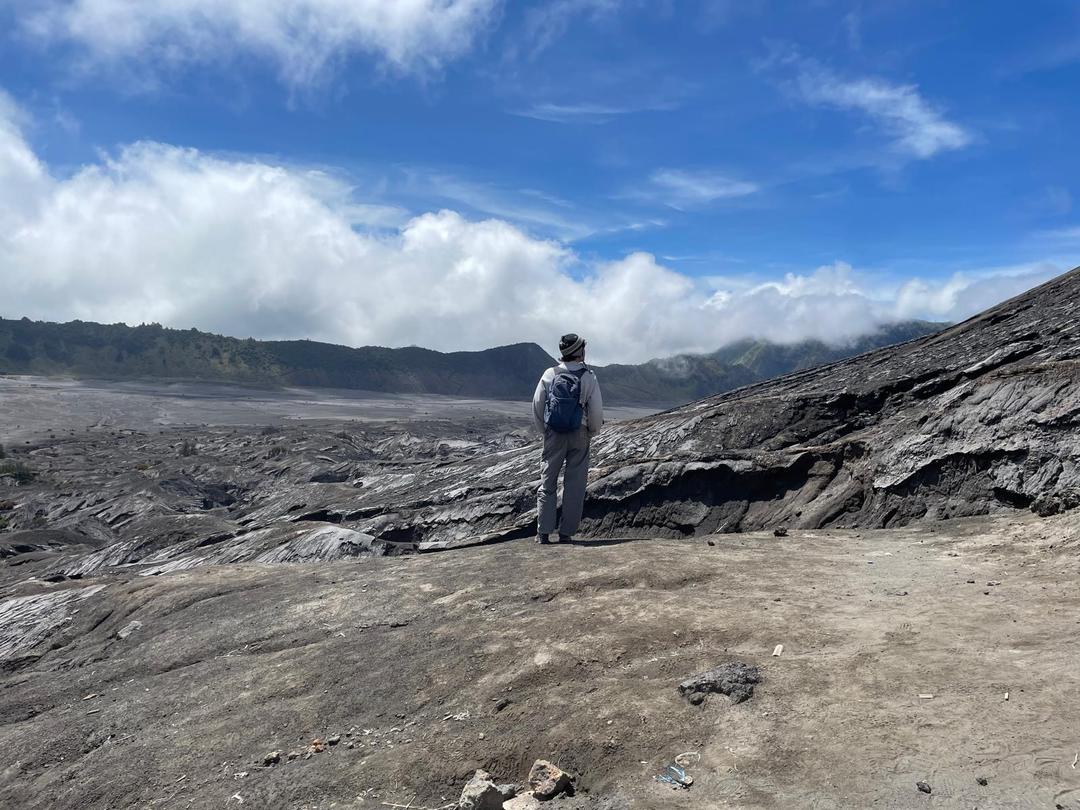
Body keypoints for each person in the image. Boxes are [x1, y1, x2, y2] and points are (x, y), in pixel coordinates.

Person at [532, 333, 604, 544]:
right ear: (578, 351)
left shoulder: (549, 374)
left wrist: (544, 431)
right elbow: (596, 411)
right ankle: (566, 533)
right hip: (579, 433)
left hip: (554, 433)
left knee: (548, 481)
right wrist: (591, 431)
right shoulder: (589, 376)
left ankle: (543, 533)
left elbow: (537, 404)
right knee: (575, 484)